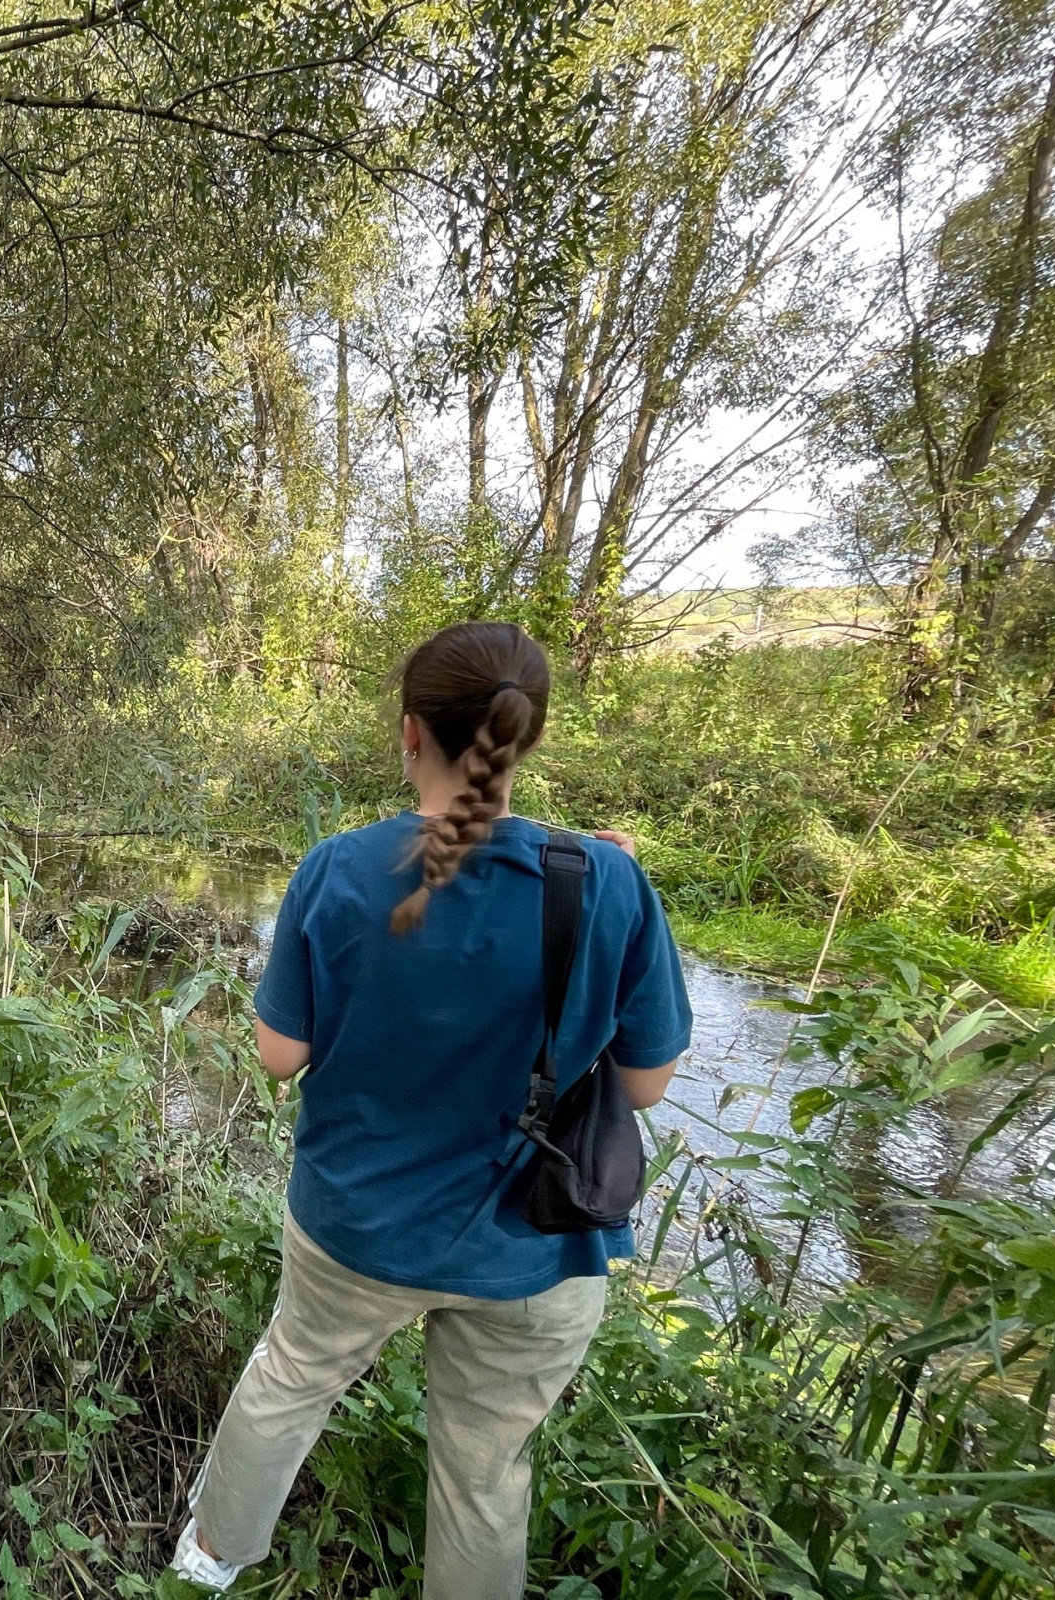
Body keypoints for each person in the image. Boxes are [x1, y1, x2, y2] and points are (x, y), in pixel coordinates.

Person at [171, 621, 692, 1598]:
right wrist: (611, 893)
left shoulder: (340, 868)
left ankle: (205, 1565)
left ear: (410, 734)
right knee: (485, 1474)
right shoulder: (606, 880)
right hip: (534, 1250)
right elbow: (644, 1083)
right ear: (528, 738)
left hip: (357, 1224)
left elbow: (279, 1058)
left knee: (288, 1383)